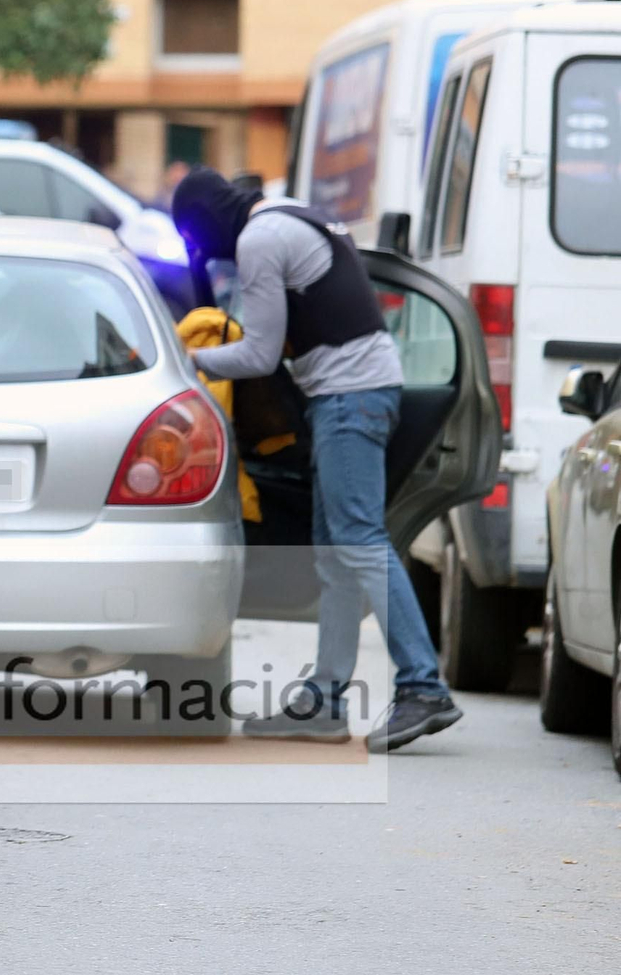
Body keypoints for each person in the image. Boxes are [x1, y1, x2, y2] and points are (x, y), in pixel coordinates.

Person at [171, 166, 462, 753]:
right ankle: (326, 701)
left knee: (358, 538)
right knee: (335, 554)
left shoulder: (258, 240)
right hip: (357, 393)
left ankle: (423, 686)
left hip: (348, 399)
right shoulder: (292, 213)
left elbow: (256, 354)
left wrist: (189, 362)